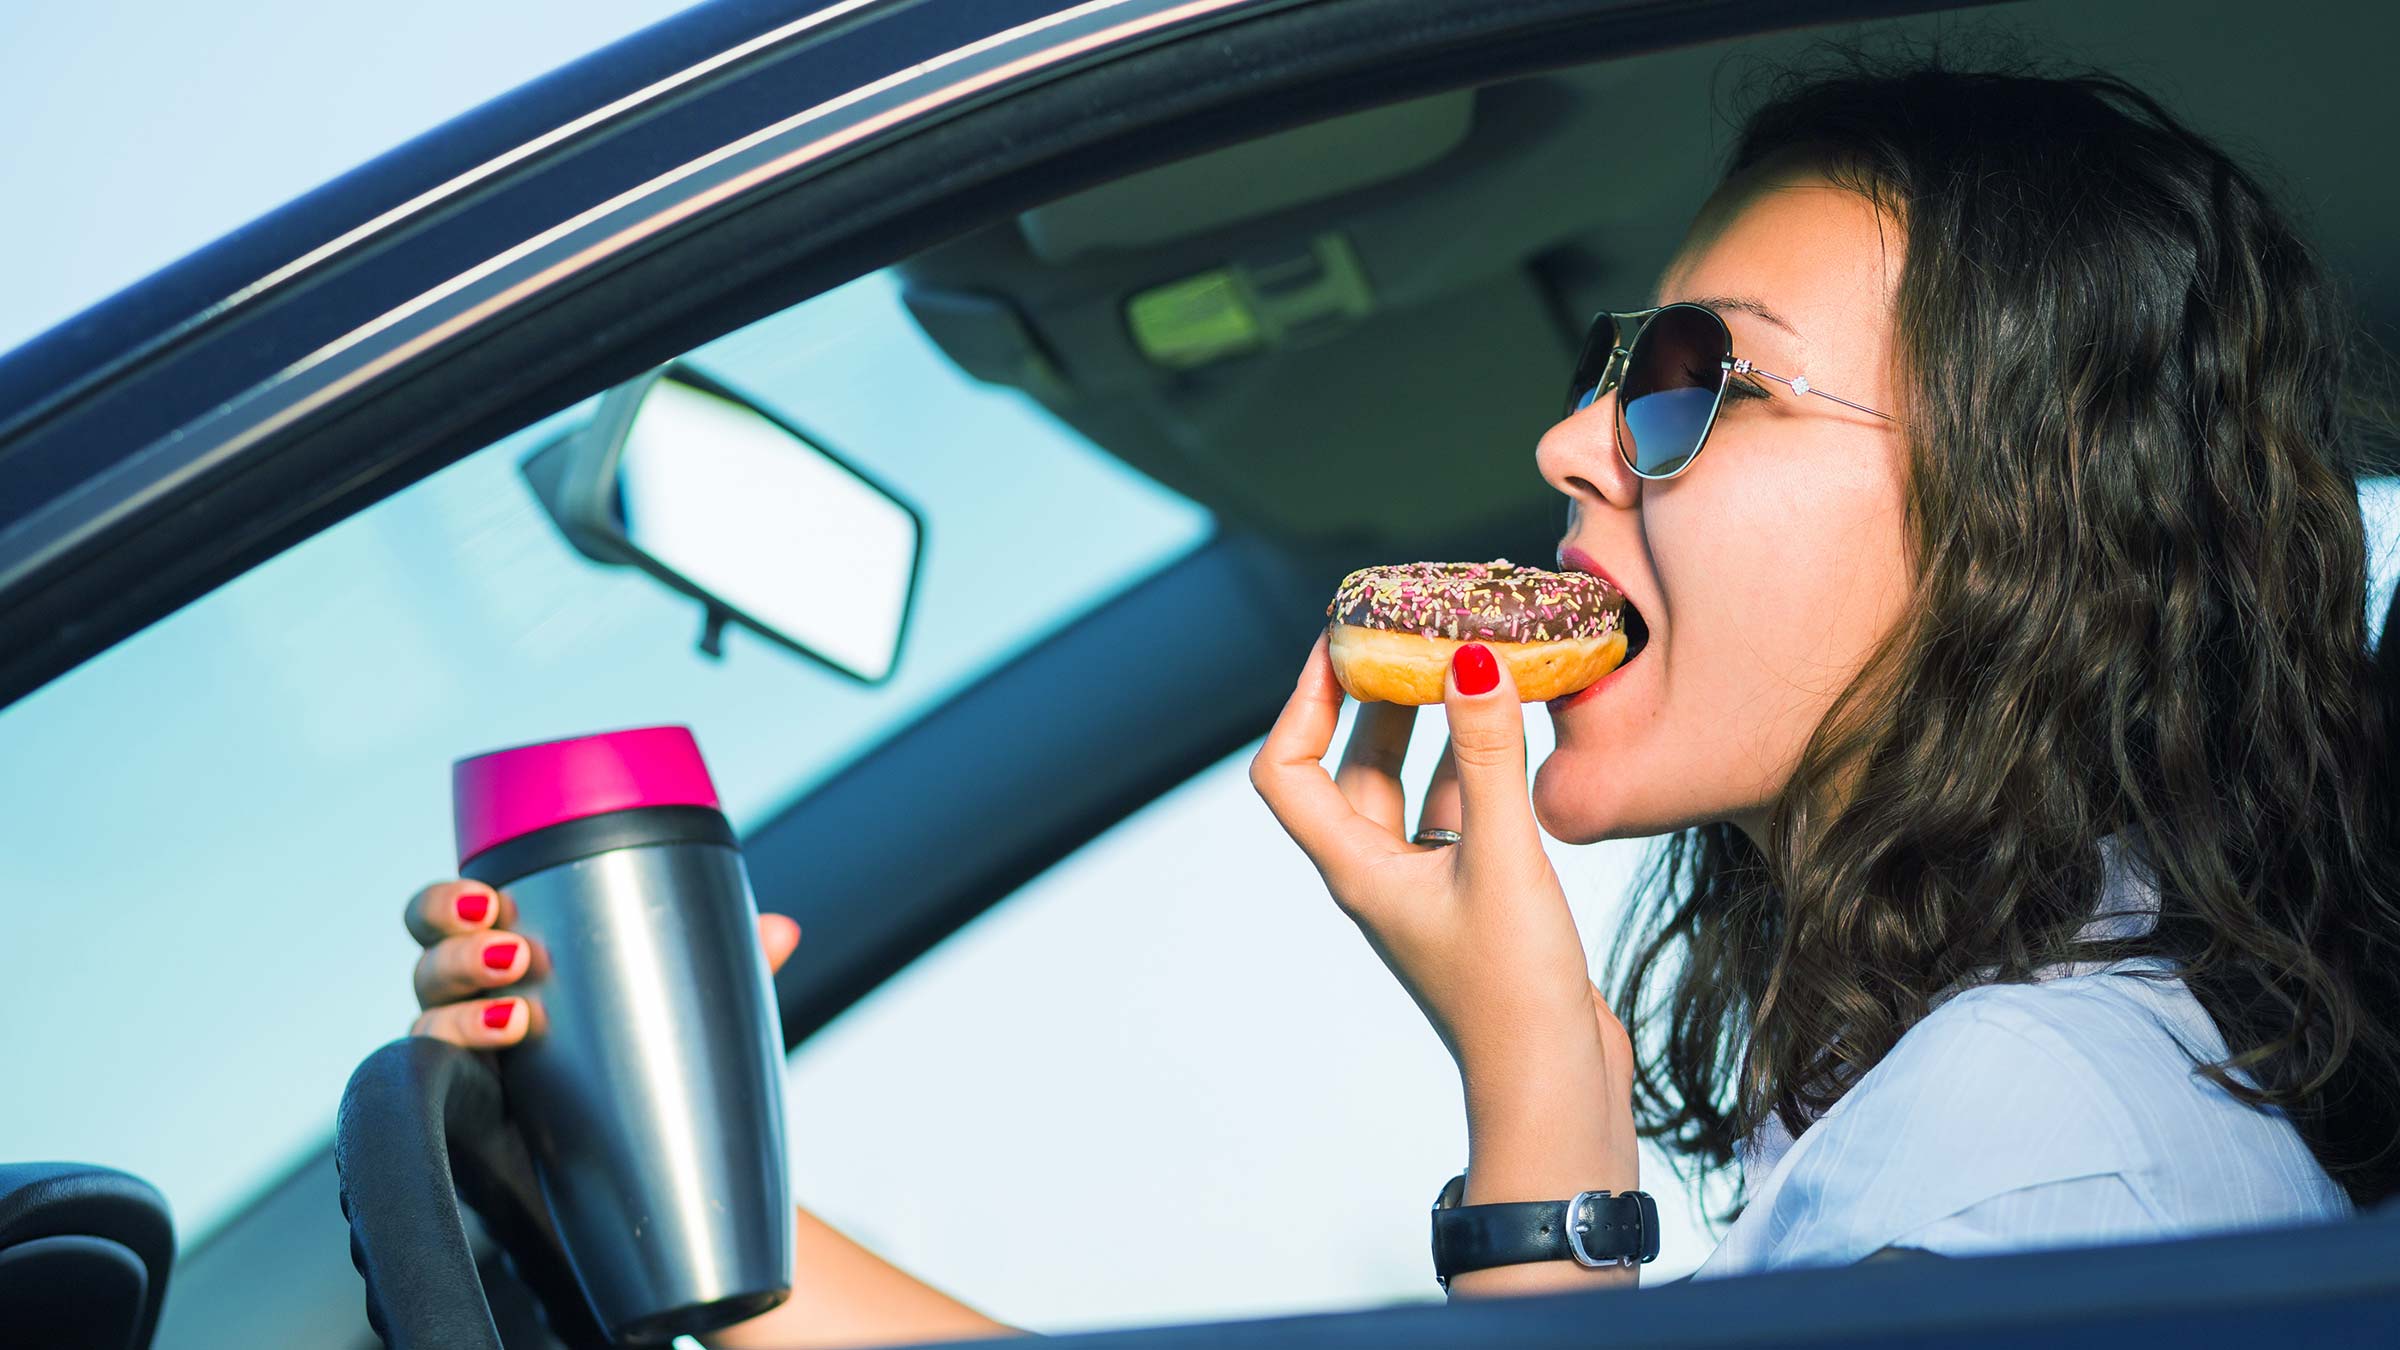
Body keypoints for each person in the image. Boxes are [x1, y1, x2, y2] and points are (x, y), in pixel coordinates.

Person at [400, 47, 2400, 1345]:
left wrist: (1542, 1086)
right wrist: (651, 1168)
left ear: (2020, 524)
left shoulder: (2046, 1142)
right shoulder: (1989, 1093)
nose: (1569, 441)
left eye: (1703, 383)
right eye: (1620, 365)